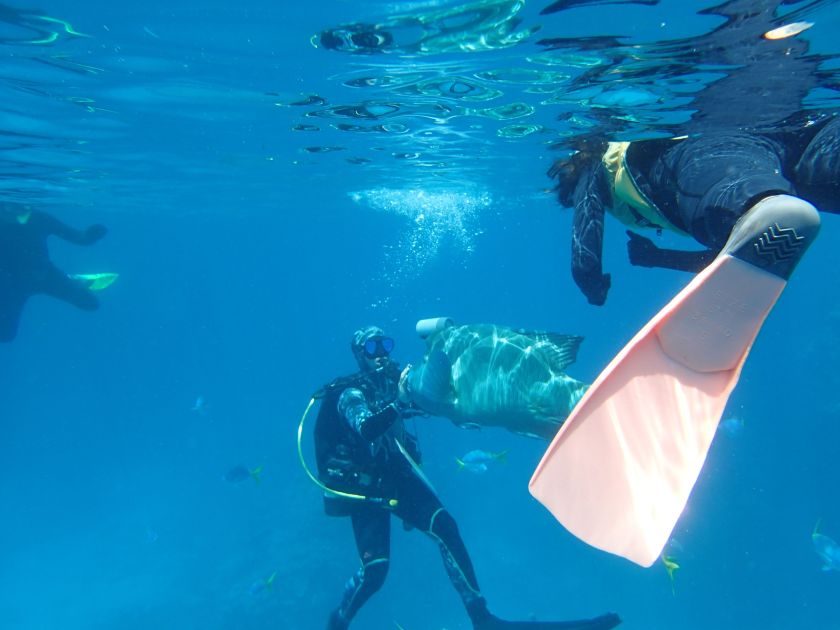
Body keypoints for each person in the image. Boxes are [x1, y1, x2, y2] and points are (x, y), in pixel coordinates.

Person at [312, 325, 621, 630]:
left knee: (445, 526)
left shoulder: (391, 387)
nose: (380, 354)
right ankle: (338, 622)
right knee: (376, 571)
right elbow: (366, 429)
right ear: (359, 355)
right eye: (371, 348)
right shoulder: (349, 393)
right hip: (362, 488)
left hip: (393, 477)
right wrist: (402, 401)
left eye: (385, 345)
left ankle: (481, 617)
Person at [549, 110, 840, 305]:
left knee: (738, 202)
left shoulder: (594, 164)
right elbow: (730, 257)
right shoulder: (754, 228)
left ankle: (757, 198)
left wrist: (590, 283)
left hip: (709, 158)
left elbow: (585, 226)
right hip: (793, 133)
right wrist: (658, 257)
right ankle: (759, 198)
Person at [0, 201, 110, 342]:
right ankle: (74, 280)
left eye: (23, 208)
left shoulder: (40, 218)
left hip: (42, 276)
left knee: (91, 304)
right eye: (10, 207)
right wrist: (90, 236)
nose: (17, 212)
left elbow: (80, 238)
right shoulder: (40, 218)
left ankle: (73, 280)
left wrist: (91, 236)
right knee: (6, 335)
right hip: (10, 283)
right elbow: (81, 239)